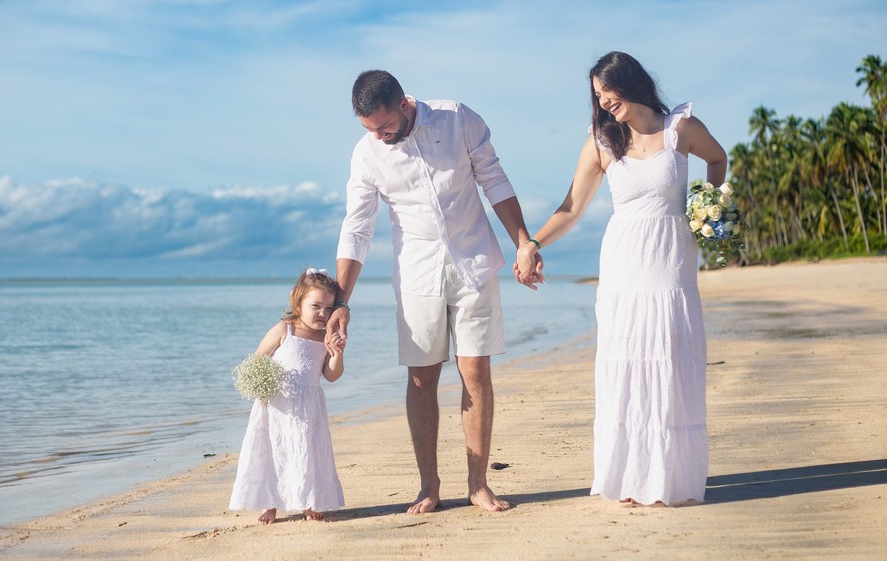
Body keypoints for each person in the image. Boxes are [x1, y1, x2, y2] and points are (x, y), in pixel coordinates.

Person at [515, 51, 727, 506]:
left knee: (668, 360)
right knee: (628, 363)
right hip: (624, 261)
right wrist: (533, 244)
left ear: (629, 82)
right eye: (597, 96)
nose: (603, 102)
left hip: (671, 258)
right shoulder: (601, 142)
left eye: (607, 92)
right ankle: (631, 479)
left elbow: (718, 159)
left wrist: (708, 211)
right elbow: (571, 207)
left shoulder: (681, 128)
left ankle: (670, 478)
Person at [328, 69, 540, 514]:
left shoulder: (457, 118)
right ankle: (429, 486)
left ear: (404, 103)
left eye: (385, 126)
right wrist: (341, 300)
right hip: (417, 274)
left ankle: (478, 485)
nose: (380, 137)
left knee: (475, 372)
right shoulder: (367, 154)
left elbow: (494, 181)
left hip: (474, 263)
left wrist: (523, 242)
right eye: (369, 129)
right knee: (422, 378)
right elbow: (357, 228)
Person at [229, 268, 346, 524]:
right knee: (273, 451)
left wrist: (337, 353)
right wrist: (260, 384)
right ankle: (269, 503)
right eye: (315, 306)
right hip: (277, 406)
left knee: (306, 453)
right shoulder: (284, 330)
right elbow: (258, 360)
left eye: (328, 308)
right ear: (298, 303)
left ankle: (307, 501)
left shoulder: (325, 337)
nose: (322, 313)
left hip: (308, 408)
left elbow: (331, 375)